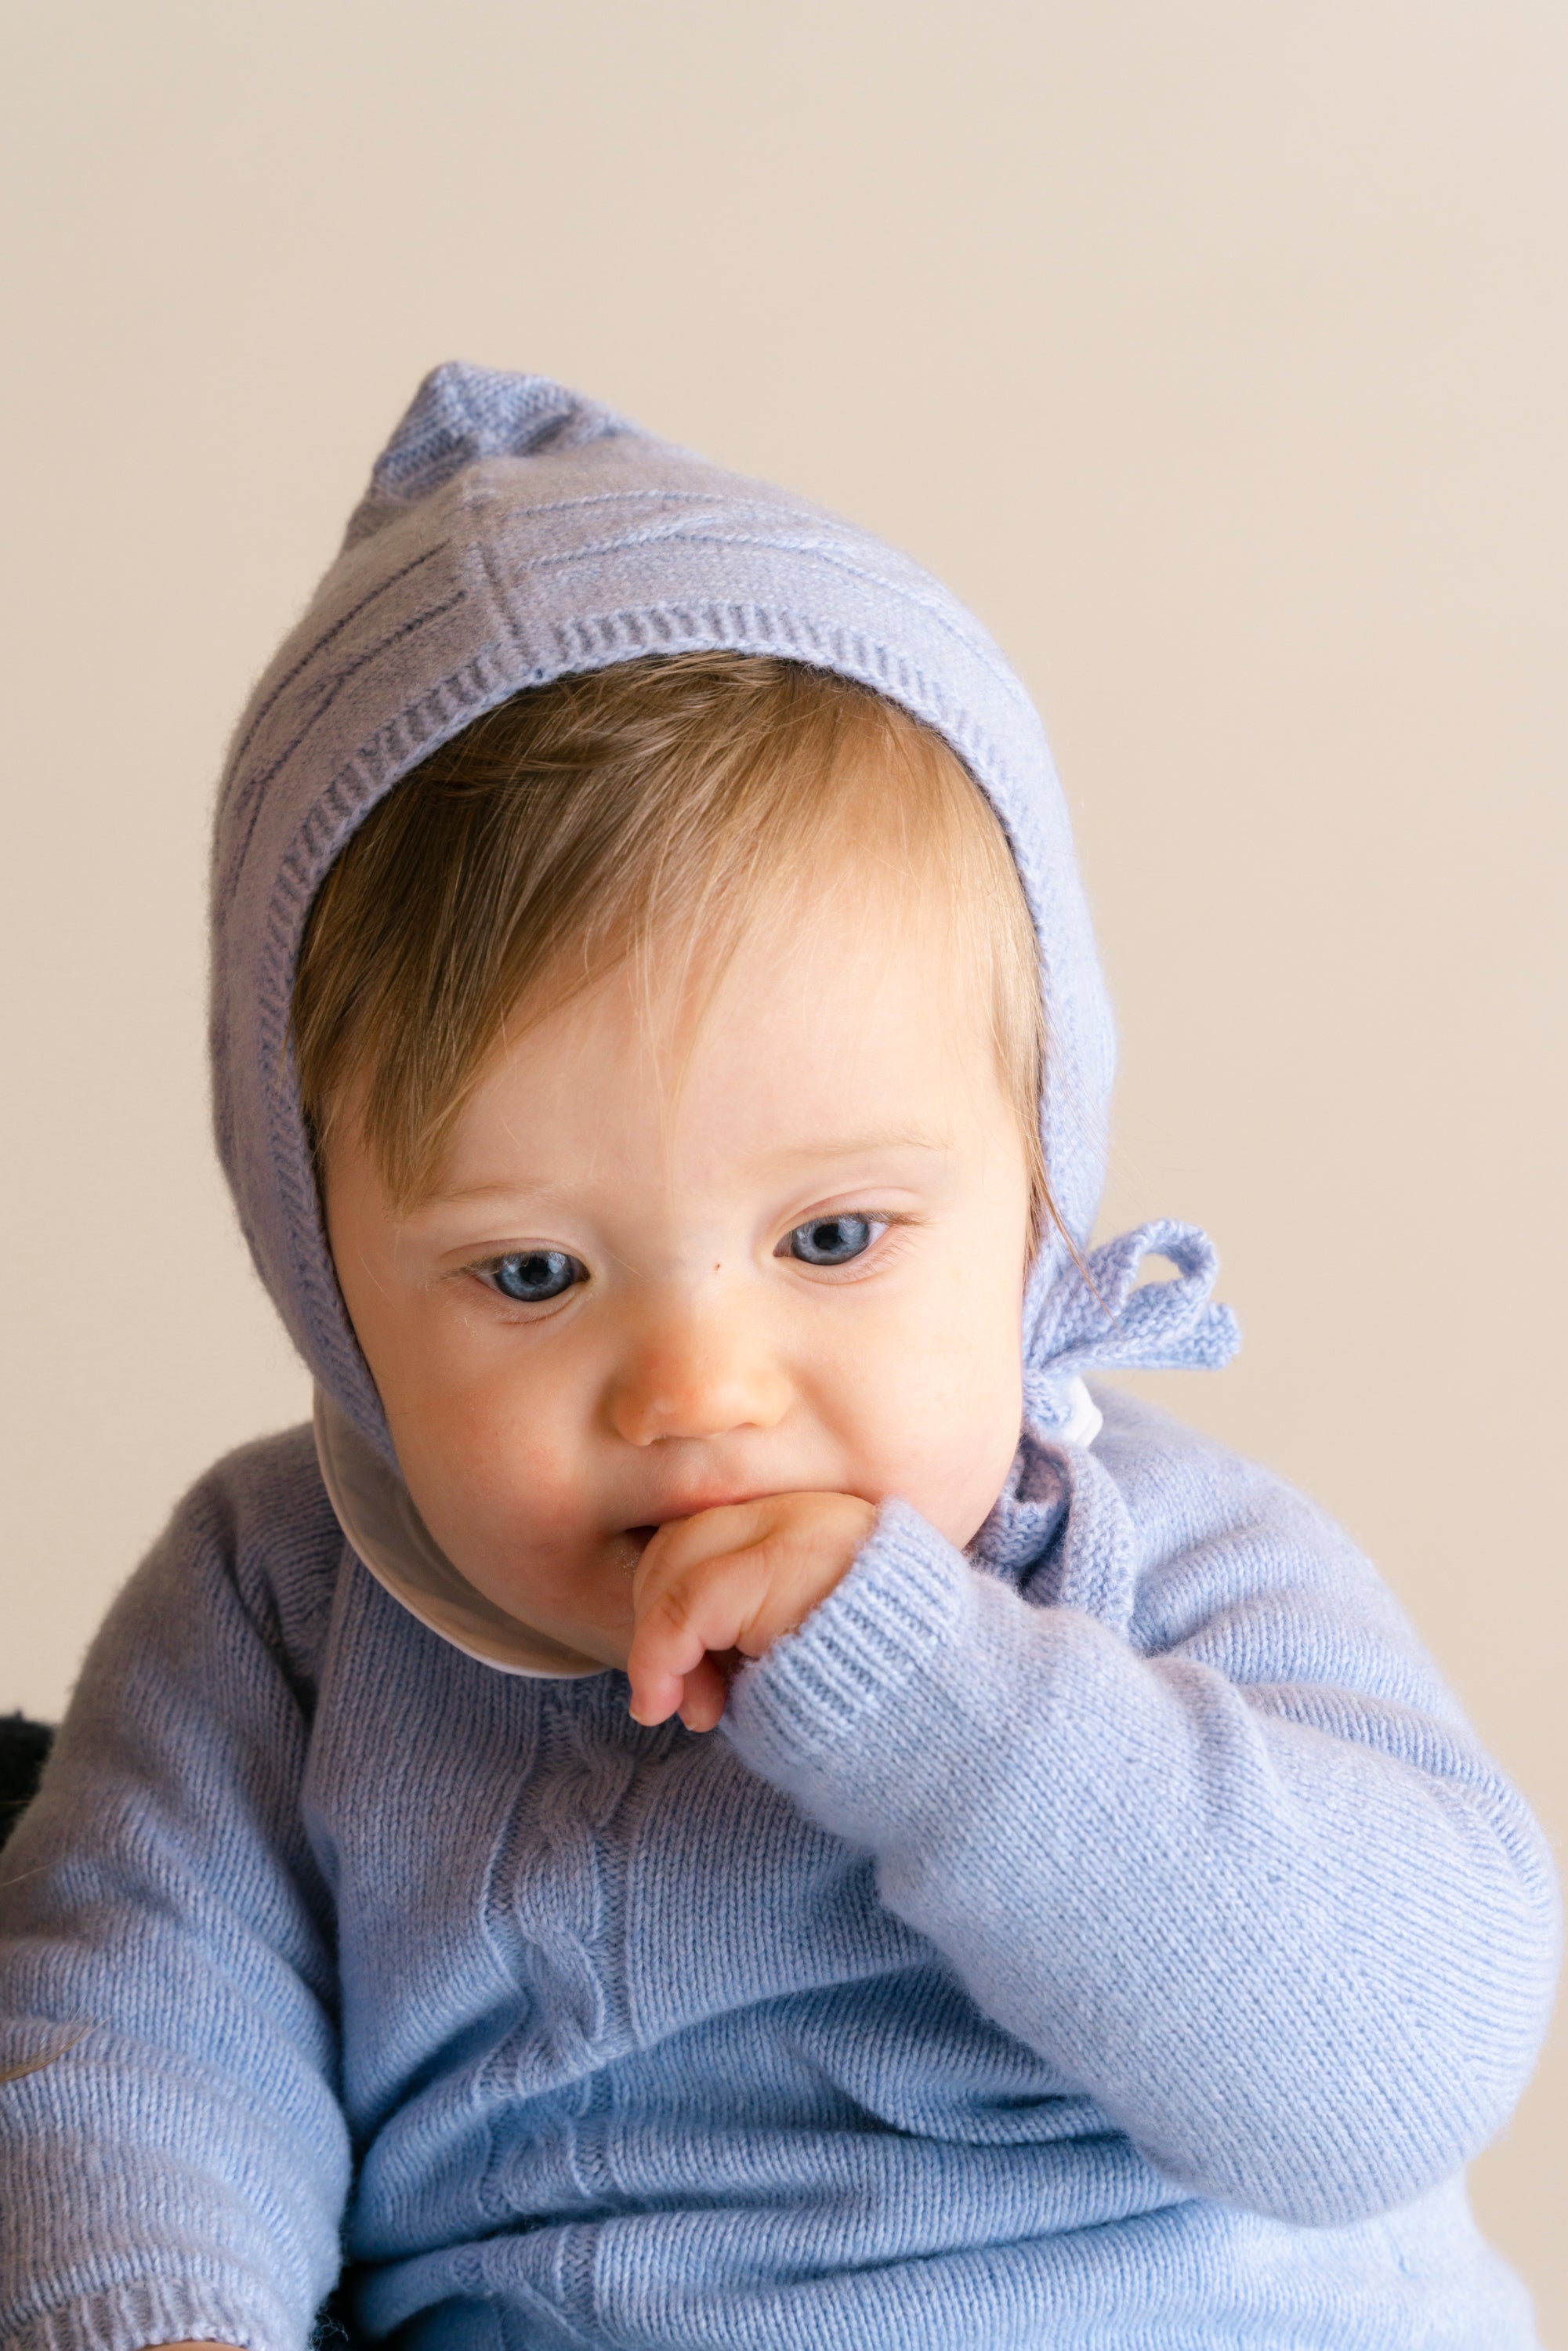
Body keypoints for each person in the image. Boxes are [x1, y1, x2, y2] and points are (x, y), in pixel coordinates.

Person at [0, 362, 1557, 2351]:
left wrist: (939, 1698)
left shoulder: (1155, 1567)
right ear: (325, 1271)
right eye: (532, 1275)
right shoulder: (278, 1607)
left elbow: (1390, 2075)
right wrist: (156, 2311)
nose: (695, 1389)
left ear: (1027, 1200)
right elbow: (133, 2025)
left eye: (830, 1239)